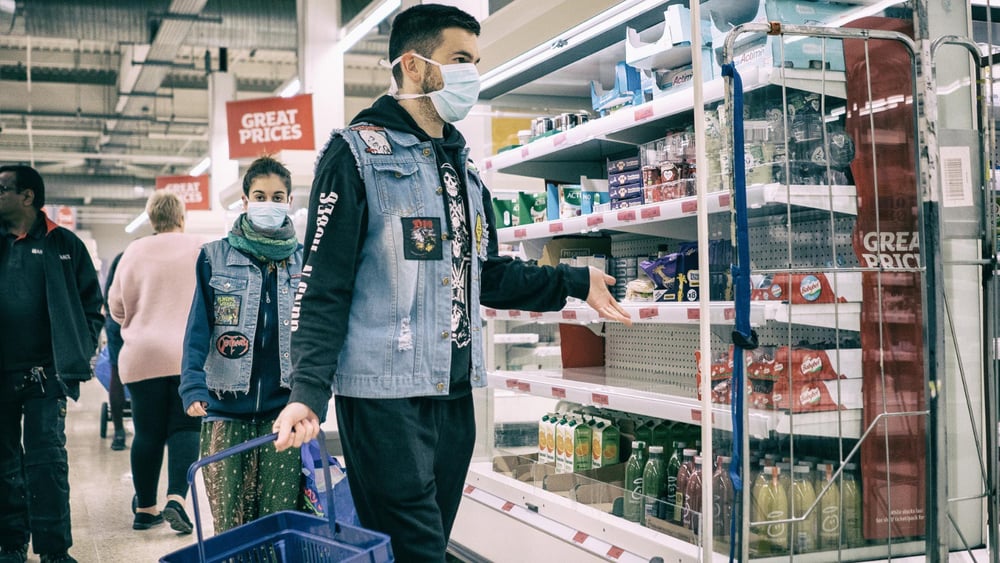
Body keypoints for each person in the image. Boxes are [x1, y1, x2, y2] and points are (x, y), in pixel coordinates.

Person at [272, 5, 632, 561]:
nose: (472, 74)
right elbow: (323, 285)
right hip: (385, 399)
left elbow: (484, 275)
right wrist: (307, 392)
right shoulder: (356, 157)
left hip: (455, 396)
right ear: (413, 66)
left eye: (475, 61)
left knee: (424, 543)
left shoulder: (462, 169)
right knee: (420, 551)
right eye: (459, 59)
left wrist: (574, 280)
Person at [180, 156, 304, 533]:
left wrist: (315, 397)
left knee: (278, 517)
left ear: (289, 200)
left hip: (283, 411)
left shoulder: (303, 261)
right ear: (246, 201)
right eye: (260, 195)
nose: (270, 202)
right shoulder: (215, 256)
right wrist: (191, 385)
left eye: (278, 195)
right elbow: (198, 327)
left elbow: (315, 334)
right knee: (228, 520)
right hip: (224, 407)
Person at [0, 164, 103, 563]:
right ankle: (10, 543)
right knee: (4, 464)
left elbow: (92, 306)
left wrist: (80, 347)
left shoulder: (65, 244)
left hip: (46, 374)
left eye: (3, 189)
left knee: (46, 463)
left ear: (27, 196)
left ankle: (54, 550)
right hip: (1, 374)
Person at [108, 191, 203, 534]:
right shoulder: (201, 247)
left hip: (141, 356)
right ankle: (177, 496)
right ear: (182, 216)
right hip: (188, 357)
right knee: (186, 427)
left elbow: (115, 308)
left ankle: (145, 509)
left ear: (151, 219)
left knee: (146, 432)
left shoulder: (133, 251)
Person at [102, 252, 128, 451]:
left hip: (115, 320)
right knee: (146, 376)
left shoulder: (120, 257)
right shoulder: (144, 256)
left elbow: (106, 296)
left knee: (116, 372)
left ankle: (119, 433)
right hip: (138, 320)